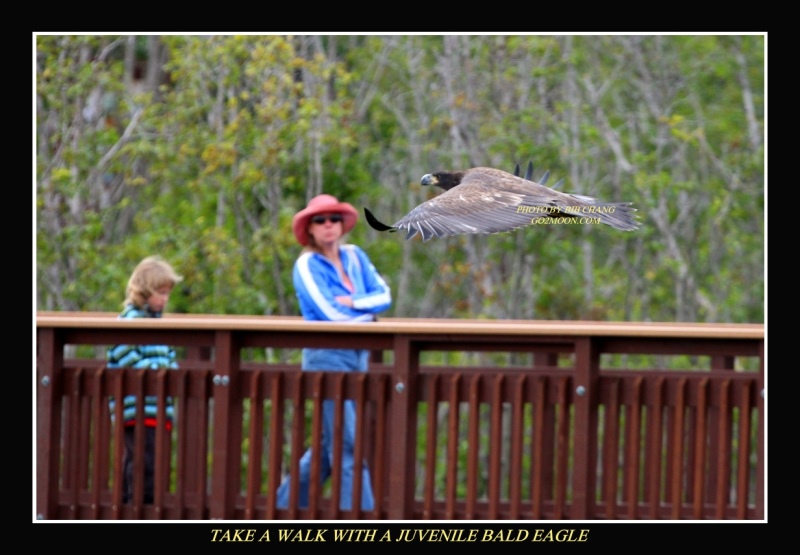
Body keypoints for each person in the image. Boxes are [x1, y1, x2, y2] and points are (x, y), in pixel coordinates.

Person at [275, 194, 392, 511]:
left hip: (360, 354)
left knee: (332, 441)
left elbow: (384, 295)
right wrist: (363, 307)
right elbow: (328, 312)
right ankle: (360, 515)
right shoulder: (307, 264)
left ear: (342, 225)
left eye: (334, 219)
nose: (328, 225)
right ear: (309, 229)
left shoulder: (355, 255)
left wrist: (353, 303)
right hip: (326, 355)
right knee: (347, 440)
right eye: (320, 220)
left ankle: (282, 506)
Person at [106, 255, 183, 504]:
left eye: (167, 293)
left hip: (159, 407)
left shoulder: (159, 325)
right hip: (137, 409)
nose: (165, 298)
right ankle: (136, 507)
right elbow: (122, 351)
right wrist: (154, 373)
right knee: (142, 462)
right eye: (160, 292)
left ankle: (142, 505)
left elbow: (170, 356)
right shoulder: (130, 321)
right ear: (144, 290)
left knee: (154, 461)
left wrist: (169, 371)